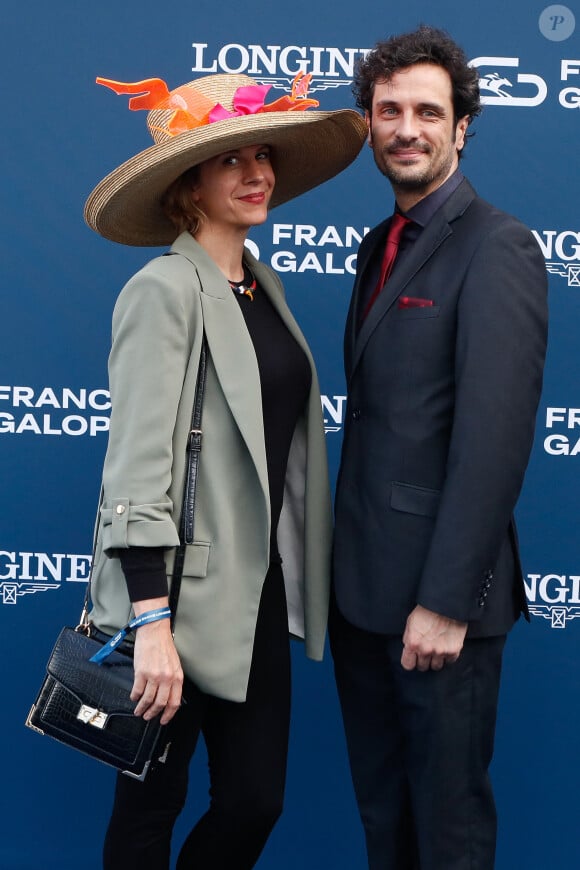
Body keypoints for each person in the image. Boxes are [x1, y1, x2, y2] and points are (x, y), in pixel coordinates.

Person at [83, 71, 367, 869]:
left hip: (256, 594)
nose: (258, 173)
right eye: (230, 160)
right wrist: (151, 623)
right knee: (150, 806)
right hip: (174, 597)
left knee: (254, 801)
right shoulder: (164, 289)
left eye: (263, 155)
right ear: (188, 185)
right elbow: (136, 466)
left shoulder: (258, 287)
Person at [330, 25, 548, 870]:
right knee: (389, 832)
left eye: (429, 111)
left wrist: (447, 601)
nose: (406, 128)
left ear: (462, 128)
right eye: (390, 111)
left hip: (438, 613)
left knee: (448, 839)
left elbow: (494, 441)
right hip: (363, 602)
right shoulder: (377, 247)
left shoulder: (497, 247)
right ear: (369, 124)